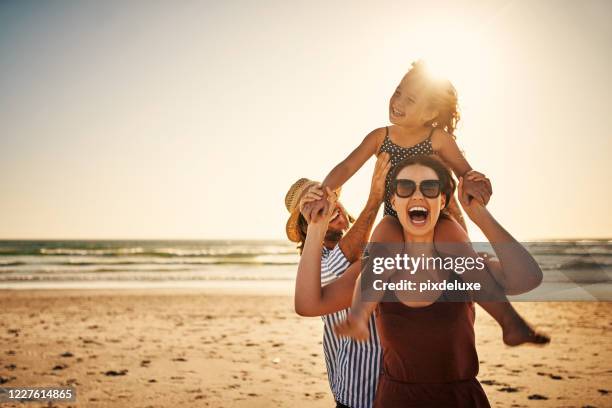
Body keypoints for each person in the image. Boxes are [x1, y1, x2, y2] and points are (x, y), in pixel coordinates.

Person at [307, 60, 548, 346]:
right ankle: (359, 316)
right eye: (397, 92)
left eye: (410, 100)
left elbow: (464, 172)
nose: (397, 102)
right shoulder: (379, 137)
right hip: (394, 214)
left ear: (431, 112)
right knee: (377, 257)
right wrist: (325, 190)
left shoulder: (439, 139)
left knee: (464, 258)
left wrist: (474, 182)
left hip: (438, 217)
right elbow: (347, 167)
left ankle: (510, 322)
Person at [296, 155, 545, 407]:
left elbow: (528, 278)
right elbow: (308, 305)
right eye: (405, 187)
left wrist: (478, 213)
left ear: (442, 200)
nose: (417, 195)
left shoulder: (461, 261)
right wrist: (316, 226)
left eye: (429, 187)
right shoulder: (378, 268)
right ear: (393, 200)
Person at [284, 154, 390, 408]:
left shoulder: (372, 241)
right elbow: (338, 268)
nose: (329, 206)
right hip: (357, 391)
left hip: (394, 387)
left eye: (329, 198)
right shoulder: (316, 260)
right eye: (315, 205)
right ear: (304, 225)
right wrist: (374, 199)